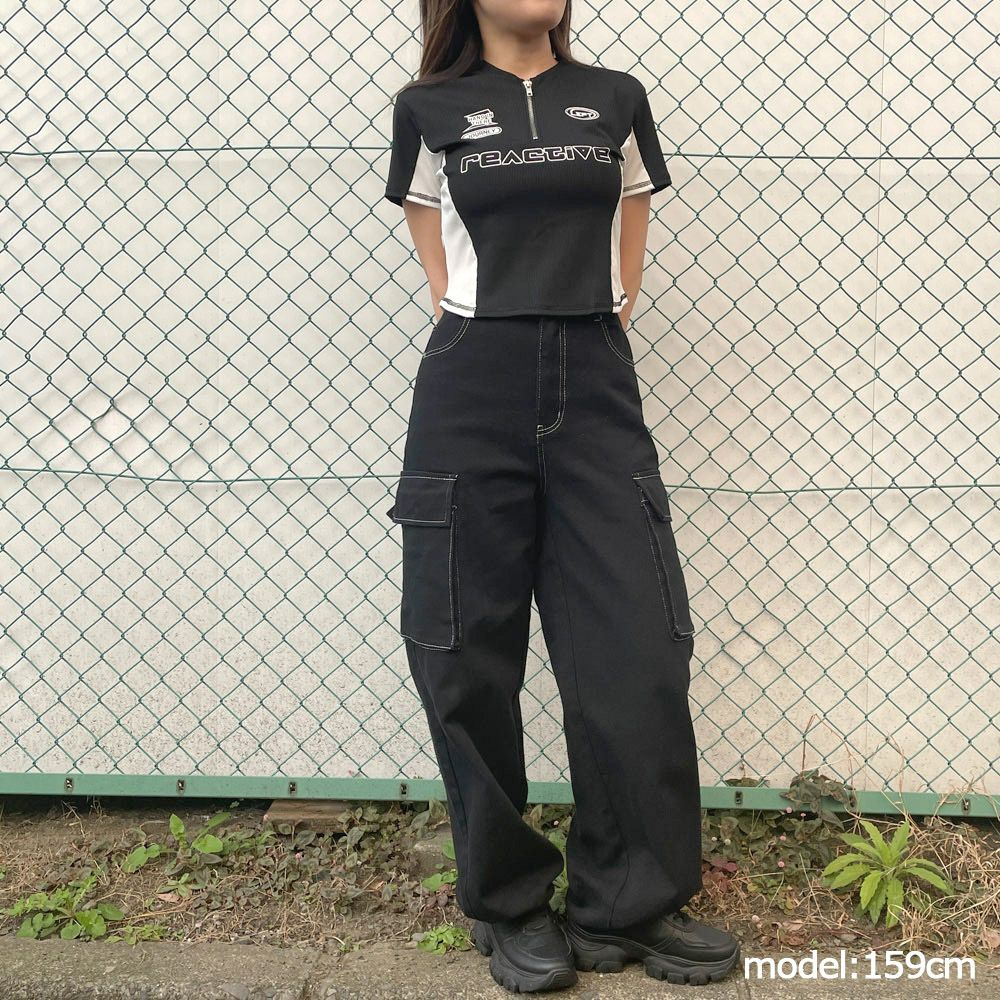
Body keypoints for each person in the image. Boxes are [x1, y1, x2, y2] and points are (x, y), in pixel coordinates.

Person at [382, 0, 740, 992]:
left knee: (636, 647)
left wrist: (600, 312)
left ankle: (626, 903)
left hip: (595, 382)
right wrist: (493, 324)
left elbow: (631, 230)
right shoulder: (428, 107)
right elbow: (436, 256)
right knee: (465, 654)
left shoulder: (613, 98)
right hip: (472, 381)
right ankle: (507, 904)